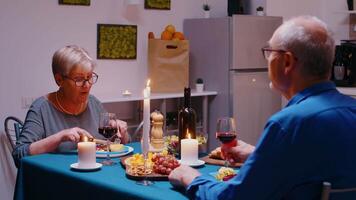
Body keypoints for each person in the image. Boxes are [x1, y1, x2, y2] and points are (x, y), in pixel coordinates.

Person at [168, 16, 356, 199]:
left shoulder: (289, 124)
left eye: (270, 52)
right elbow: (315, 170)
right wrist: (258, 156)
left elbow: (234, 197)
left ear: (287, 62)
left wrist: (190, 178)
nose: (267, 60)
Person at [13, 45, 129, 167]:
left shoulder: (93, 103)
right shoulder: (41, 108)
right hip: (57, 180)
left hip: (93, 176)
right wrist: (60, 137)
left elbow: (120, 144)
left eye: (89, 77)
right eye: (79, 79)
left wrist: (122, 131)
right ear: (59, 80)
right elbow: (19, 154)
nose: (87, 85)